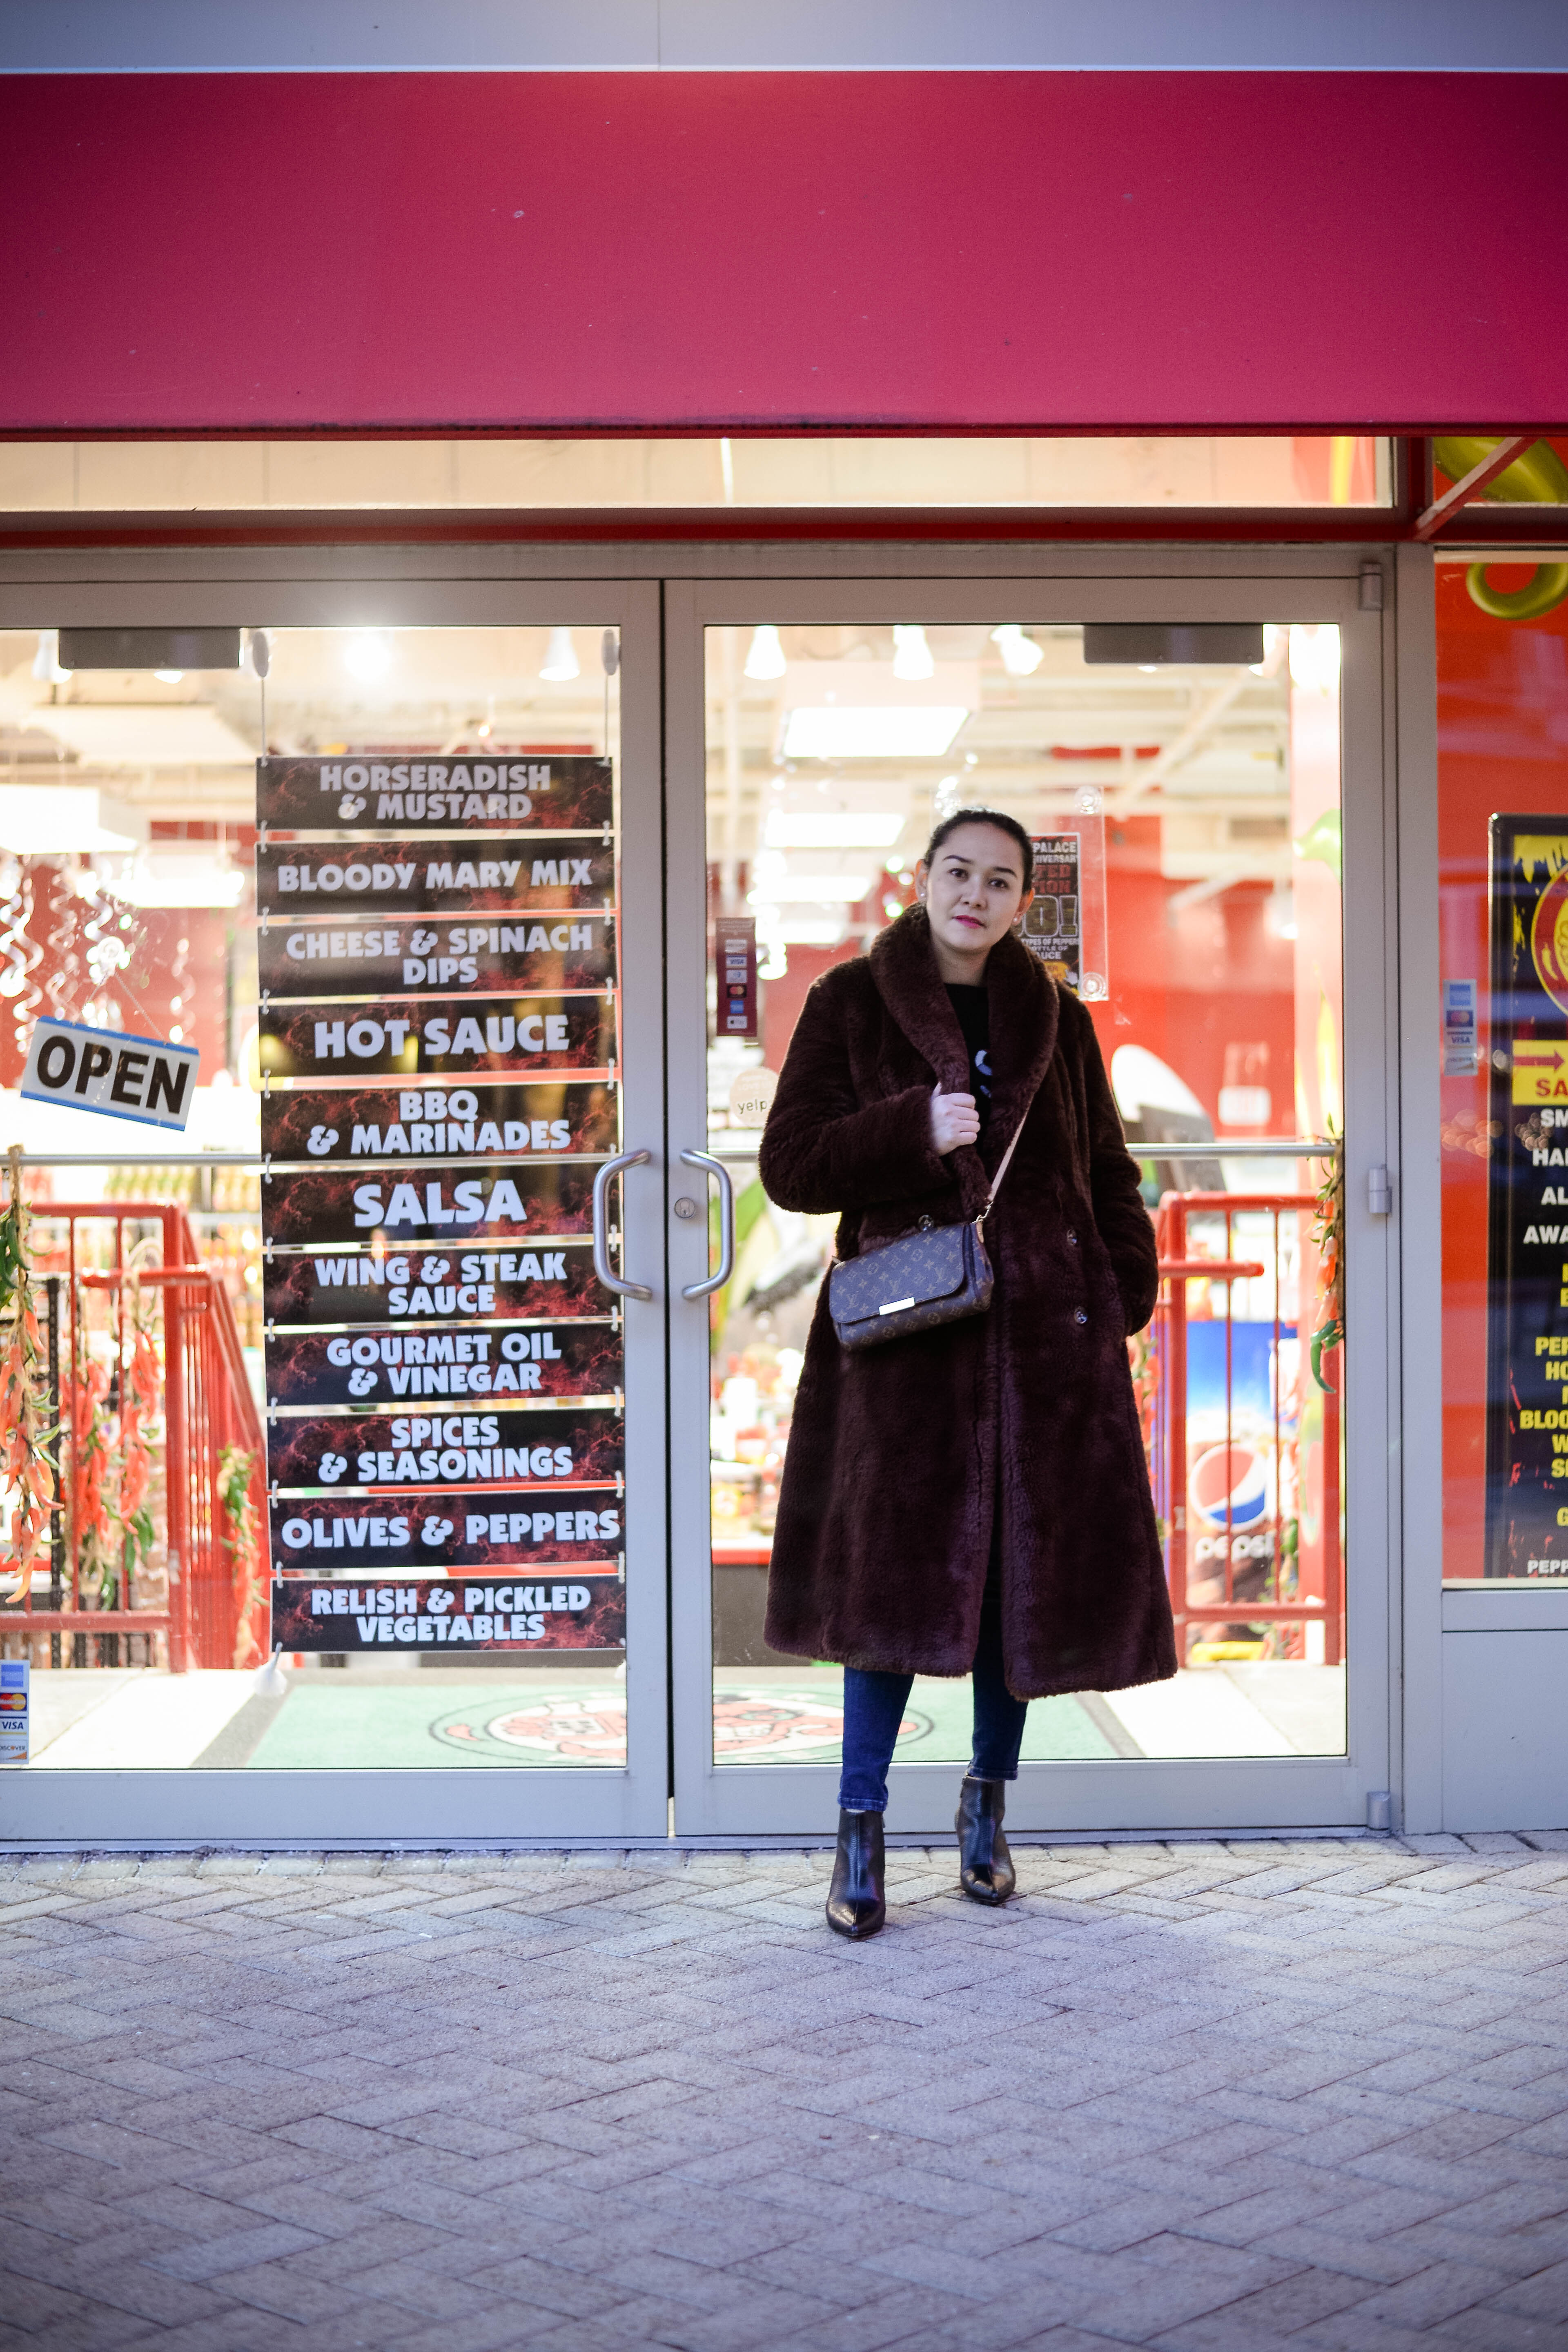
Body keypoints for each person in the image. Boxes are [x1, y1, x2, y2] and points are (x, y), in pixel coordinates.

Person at [758, 809, 1175, 1939]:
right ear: (925, 878)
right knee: (885, 1602)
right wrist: (910, 1127)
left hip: (1048, 1349)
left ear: (1019, 900)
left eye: (999, 881)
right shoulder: (851, 1001)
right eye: (959, 873)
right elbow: (788, 1166)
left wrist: (1119, 1290)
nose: (975, 896)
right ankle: (859, 1831)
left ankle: (988, 1814)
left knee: (1014, 1599)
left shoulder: (1060, 1021)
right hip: (908, 1355)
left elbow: (1108, 1169)